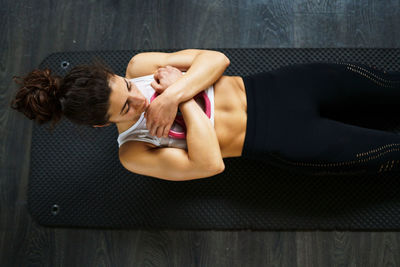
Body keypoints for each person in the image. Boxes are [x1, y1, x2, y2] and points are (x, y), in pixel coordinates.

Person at [10, 49, 400, 181]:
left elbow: (217, 59)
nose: (139, 98)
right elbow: (210, 164)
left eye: (126, 87)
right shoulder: (135, 152)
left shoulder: (141, 65)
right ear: (102, 124)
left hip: (281, 87)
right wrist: (182, 102)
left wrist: (172, 92)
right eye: (126, 107)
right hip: (280, 138)